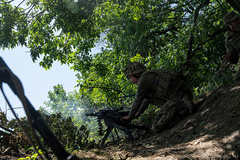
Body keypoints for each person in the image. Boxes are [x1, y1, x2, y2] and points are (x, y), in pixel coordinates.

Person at [121, 62, 194, 133]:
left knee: (156, 127)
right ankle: (182, 108)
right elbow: (147, 100)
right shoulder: (147, 75)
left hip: (178, 97)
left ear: (136, 74)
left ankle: (183, 104)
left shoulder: (143, 80)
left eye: (130, 77)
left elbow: (138, 100)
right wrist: (138, 113)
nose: (131, 81)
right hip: (184, 93)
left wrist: (129, 116)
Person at [222, 11, 240, 81]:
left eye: (238, 18)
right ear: (229, 24)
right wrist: (230, 58)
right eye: (236, 20)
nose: (239, 20)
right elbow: (235, 59)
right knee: (237, 79)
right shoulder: (229, 38)